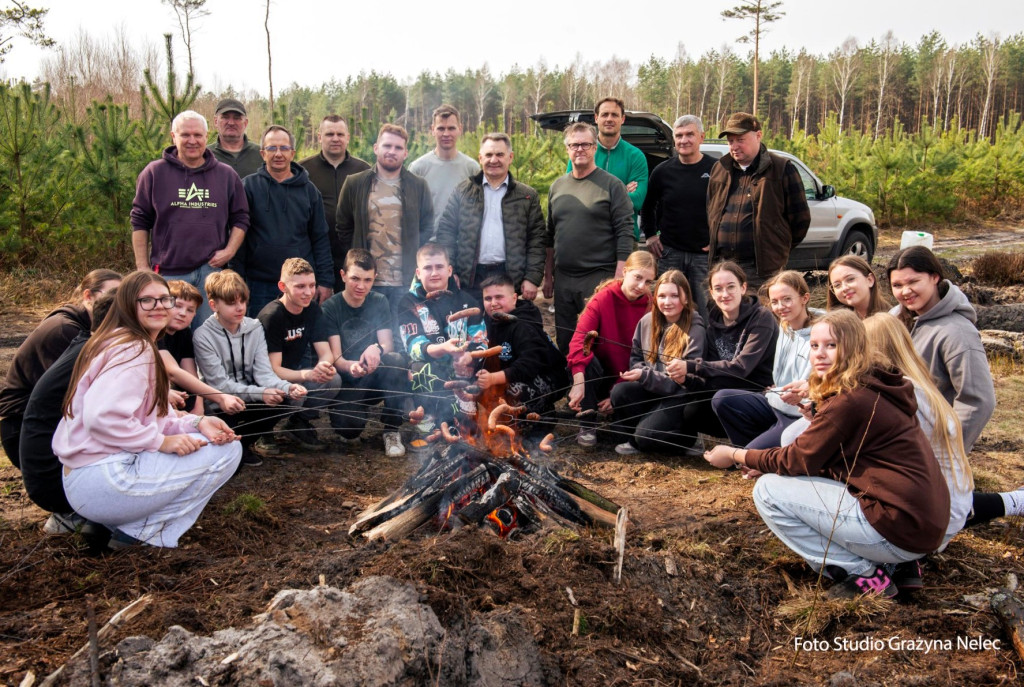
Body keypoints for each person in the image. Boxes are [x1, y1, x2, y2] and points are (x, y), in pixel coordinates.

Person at [705, 310, 951, 598]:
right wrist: (774, 461)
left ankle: (864, 575)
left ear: (854, 347)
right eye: (814, 345)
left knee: (768, 491)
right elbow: (832, 462)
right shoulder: (875, 384)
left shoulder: (851, 400)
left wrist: (735, 454)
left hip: (901, 529)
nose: (820, 354)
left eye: (831, 345)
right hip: (922, 524)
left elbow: (795, 459)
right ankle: (899, 566)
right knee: (789, 477)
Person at [52, 271, 243, 549]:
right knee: (227, 452)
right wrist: (160, 442)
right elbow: (101, 418)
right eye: (147, 301)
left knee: (208, 440)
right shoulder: (133, 349)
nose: (159, 307)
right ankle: (140, 533)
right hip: (102, 480)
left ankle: (115, 526)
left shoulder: (122, 341)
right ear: (128, 304)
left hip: (87, 478)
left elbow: (151, 418)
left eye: (165, 299)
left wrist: (197, 422)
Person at [130, 110, 250, 326]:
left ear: (206, 137)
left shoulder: (226, 175)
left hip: (211, 272)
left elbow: (241, 218)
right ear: (173, 136)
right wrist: (142, 267)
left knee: (208, 334)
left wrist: (230, 250)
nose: (192, 141)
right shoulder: (154, 173)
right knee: (166, 331)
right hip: (168, 272)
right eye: (185, 135)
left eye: (198, 135)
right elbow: (140, 220)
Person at [20, 289, 117, 541]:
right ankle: (93, 516)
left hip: (57, 465)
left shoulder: (94, 346)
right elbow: (113, 424)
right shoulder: (94, 354)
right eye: (148, 304)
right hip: (53, 477)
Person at [0, 269, 122, 469]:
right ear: (88, 296)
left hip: (51, 422)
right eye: (112, 295)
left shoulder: (86, 326)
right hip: (23, 427)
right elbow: (87, 389)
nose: (118, 303)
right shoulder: (66, 330)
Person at [887, 246, 995, 451]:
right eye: (897, 285)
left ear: (934, 277)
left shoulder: (958, 333)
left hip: (929, 450)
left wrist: (946, 451)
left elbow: (979, 402)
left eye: (913, 282)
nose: (905, 291)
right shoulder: (895, 319)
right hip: (897, 444)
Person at [193, 270, 306, 465]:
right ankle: (232, 446)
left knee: (288, 400)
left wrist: (287, 387)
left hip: (250, 397)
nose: (239, 308)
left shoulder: (255, 327)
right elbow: (220, 385)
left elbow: (264, 373)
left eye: (243, 301)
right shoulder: (202, 336)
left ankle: (243, 444)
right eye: (231, 303)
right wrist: (261, 393)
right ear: (213, 305)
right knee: (224, 425)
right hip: (220, 403)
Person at [544, 122, 634, 353]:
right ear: (567, 149)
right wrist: (548, 276)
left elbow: (625, 231)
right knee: (565, 339)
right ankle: (569, 376)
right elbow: (550, 235)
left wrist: (619, 276)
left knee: (598, 340)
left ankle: (596, 378)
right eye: (574, 145)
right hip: (564, 278)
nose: (580, 149)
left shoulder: (612, 186)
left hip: (598, 276)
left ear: (595, 147)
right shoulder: (557, 187)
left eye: (585, 144)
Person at [712, 271, 821, 450]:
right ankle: (756, 449)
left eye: (787, 299)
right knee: (722, 399)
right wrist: (775, 389)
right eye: (775, 302)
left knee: (748, 458)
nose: (780, 307)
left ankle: (755, 455)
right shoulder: (784, 326)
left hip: (799, 413)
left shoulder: (821, 333)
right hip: (777, 402)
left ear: (804, 298)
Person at [435, 132, 546, 301]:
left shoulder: (527, 196)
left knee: (505, 318)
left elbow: (536, 240)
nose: (494, 160)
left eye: (500, 154)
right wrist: (451, 270)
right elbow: (446, 232)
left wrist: (532, 277)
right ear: (480, 158)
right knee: (472, 318)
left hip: (509, 277)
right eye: (488, 155)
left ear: (510, 157)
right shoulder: (463, 191)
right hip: (471, 277)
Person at [706, 112, 810, 290]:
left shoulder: (781, 169)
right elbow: (711, 210)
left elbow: (800, 219)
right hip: (723, 267)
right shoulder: (720, 169)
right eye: (731, 141)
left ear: (758, 135)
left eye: (740, 140)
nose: (734, 146)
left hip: (761, 270)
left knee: (762, 308)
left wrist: (775, 248)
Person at [320, 249, 410, 457]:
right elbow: (336, 357)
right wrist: (351, 366)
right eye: (355, 279)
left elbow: (387, 344)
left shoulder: (379, 301)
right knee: (348, 430)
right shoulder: (331, 307)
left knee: (396, 360)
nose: (361, 286)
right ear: (343, 275)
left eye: (367, 280)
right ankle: (353, 414)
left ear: (374, 278)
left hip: (374, 375)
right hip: (348, 380)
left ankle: (392, 429)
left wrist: (376, 348)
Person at [336, 123, 434, 310]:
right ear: (376, 148)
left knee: (402, 328)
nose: (392, 151)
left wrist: (412, 252)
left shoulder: (418, 186)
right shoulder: (355, 183)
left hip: (404, 281)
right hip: (365, 281)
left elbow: (427, 226)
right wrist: (358, 258)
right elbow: (343, 227)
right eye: (387, 146)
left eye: (398, 148)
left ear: (405, 153)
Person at [238, 124, 333, 316]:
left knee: (300, 334)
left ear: (292, 153)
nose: (278, 154)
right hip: (259, 285)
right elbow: (238, 237)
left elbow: (320, 238)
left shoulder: (309, 191)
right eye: (272, 148)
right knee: (260, 333)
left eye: (284, 148)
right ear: (263, 153)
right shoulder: (248, 187)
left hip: (300, 285)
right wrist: (237, 280)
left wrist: (325, 281)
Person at [565, 251, 656, 447]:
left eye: (648, 281)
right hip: (600, 376)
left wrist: (615, 393)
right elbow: (580, 340)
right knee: (587, 360)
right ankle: (588, 422)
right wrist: (578, 381)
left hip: (629, 380)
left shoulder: (652, 305)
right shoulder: (603, 298)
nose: (642, 286)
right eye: (637, 277)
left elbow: (648, 357)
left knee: (619, 437)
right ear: (625, 271)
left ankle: (617, 412)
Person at [610, 270, 706, 455]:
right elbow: (636, 358)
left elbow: (682, 382)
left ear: (686, 298)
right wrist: (641, 372)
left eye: (674, 296)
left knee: (645, 438)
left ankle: (689, 438)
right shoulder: (647, 321)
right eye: (662, 296)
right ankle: (643, 429)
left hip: (679, 396)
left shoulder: (695, 328)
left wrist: (645, 375)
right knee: (620, 392)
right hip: (654, 389)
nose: (667, 302)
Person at [396, 243, 487, 433]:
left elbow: (481, 341)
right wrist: (443, 348)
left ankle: (462, 417)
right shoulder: (408, 302)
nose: (434, 273)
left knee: (468, 431)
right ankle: (426, 420)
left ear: (449, 270)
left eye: (439, 267)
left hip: (462, 369)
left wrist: (468, 356)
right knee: (419, 367)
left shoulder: (468, 301)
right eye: (428, 268)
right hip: (429, 368)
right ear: (418, 273)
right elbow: (414, 346)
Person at [257, 258, 343, 451]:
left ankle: (297, 423)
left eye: (312, 285)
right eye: (300, 286)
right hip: (265, 381)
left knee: (333, 380)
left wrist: (323, 366)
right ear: (283, 286)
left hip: (293, 373)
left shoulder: (312, 308)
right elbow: (273, 369)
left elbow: (326, 352)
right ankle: (263, 430)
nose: (308, 292)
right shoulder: (273, 316)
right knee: (296, 395)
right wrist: (307, 375)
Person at [641, 114, 717, 318]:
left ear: (701, 137)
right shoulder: (662, 171)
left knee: (706, 311)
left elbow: (728, 208)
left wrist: (718, 240)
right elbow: (648, 206)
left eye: (690, 134)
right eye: (679, 135)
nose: (684, 140)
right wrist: (650, 235)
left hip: (703, 256)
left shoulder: (716, 169)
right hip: (670, 253)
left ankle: (703, 340)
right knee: (668, 309)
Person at [478, 273, 568, 416]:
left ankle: (543, 417)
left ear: (514, 298)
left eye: (499, 297)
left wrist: (493, 378)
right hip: (513, 373)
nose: (493, 303)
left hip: (547, 375)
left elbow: (529, 365)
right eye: (488, 299)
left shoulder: (524, 325)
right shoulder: (487, 322)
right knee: (476, 388)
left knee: (515, 393)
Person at [299, 115, 371, 291]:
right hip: (314, 255)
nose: (335, 139)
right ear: (319, 137)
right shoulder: (303, 170)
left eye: (340, 134)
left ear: (348, 137)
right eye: (330, 134)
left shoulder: (364, 170)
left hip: (353, 257)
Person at [159, 280, 246, 417]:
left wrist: (199, 406)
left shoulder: (185, 333)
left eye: (190, 310)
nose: (183, 313)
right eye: (178, 306)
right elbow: (173, 373)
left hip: (183, 395)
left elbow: (191, 374)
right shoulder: (156, 332)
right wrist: (221, 397)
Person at [568, 97, 648, 242]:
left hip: (624, 238)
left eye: (614, 115)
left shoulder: (636, 156)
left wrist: (592, 192)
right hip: (587, 238)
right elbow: (573, 196)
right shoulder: (582, 153)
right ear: (596, 118)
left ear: (622, 119)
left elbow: (636, 201)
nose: (609, 119)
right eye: (605, 114)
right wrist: (621, 191)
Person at [409, 105, 480, 233]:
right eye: (441, 128)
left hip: (460, 242)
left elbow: (479, 210)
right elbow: (409, 212)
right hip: (428, 243)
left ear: (460, 129)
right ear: (432, 130)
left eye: (451, 128)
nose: (446, 134)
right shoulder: (418, 168)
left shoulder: (472, 169)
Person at [209, 98, 263, 178]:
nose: (231, 123)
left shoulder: (262, 154)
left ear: (245, 123)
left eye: (237, 118)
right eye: (225, 117)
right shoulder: (205, 155)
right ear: (216, 121)